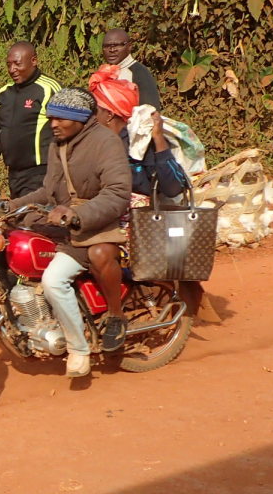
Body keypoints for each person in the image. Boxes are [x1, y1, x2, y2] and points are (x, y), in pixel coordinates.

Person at [9, 87, 131, 378]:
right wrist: (10, 204)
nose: (53, 124)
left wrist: (77, 213)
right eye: (51, 118)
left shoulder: (106, 142)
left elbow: (117, 193)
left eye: (60, 119)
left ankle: (83, 345)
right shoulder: (58, 144)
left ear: (80, 119)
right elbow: (47, 191)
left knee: (54, 278)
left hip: (99, 224)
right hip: (64, 225)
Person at [87, 68, 189, 350]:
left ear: (108, 114)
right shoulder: (93, 143)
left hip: (134, 225)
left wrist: (158, 139)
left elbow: (173, 187)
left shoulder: (139, 143)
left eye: (95, 108)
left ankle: (115, 318)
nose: (91, 114)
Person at [0, 42, 62, 198]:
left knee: (33, 217)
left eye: (17, 64)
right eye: (9, 65)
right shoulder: (5, 93)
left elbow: (67, 129)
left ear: (34, 61)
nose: (12, 70)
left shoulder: (49, 89)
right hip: (14, 175)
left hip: (41, 173)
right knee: (16, 218)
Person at [102, 28, 161, 111]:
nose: (112, 50)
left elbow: (150, 112)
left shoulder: (140, 73)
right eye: (107, 46)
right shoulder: (103, 74)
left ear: (129, 46)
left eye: (118, 45)